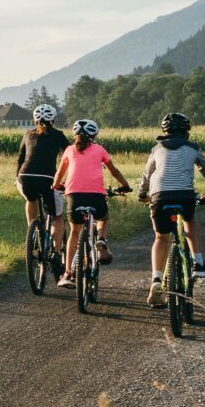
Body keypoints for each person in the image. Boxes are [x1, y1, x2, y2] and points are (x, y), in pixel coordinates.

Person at [138, 111, 205, 306]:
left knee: (161, 237)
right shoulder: (192, 148)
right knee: (190, 220)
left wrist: (142, 195)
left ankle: (157, 279)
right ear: (186, 132)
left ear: (164, 131)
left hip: (160, 196)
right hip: (184, 195)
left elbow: (147, 174)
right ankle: (199, 262)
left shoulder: (157, 149)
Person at [54, 118, 132, 284]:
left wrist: (56, 185)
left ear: (75, 134)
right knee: (103, 218)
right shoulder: (99, 149)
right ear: (94, 135)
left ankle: (67, 273)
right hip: (96, 195)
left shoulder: (69, 150)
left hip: (74, 196)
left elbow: (60, 174)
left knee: (75, 232)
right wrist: (124, 185)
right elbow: (114, 171)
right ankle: (101, 239)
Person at [13, 103, 68, 259]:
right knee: (57, 217)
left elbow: (20, 158)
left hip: (25, 177)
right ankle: (56, 253)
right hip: (48, 179)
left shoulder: (28, 134)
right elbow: (70, 157)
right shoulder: (59, 135)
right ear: (54, 119)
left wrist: (17, 177)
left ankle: (33, 231)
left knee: (31, 198)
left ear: (35, 120)